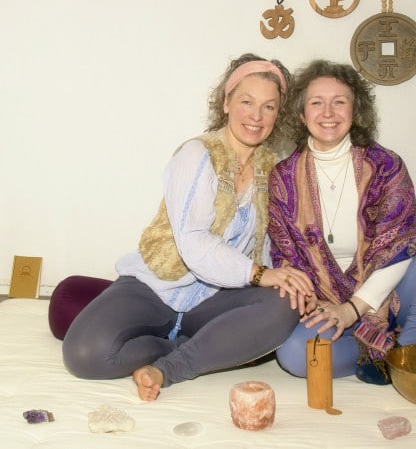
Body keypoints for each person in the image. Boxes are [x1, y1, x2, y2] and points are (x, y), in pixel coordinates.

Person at [62, 53, 314, 401]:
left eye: (268, 107)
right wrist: (259, 274)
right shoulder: (197, 154)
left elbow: (275, 242)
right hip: (157, 287)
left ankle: (173, 367)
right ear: (226, 103)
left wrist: (287, 279)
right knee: (84, 355)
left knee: (286, 303)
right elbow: (193, 241)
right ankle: (188, 345)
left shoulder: (276, 169)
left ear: (278, 114)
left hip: (216, 299)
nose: (256, 116)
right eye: (246, 102)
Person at [268, 59, 416, 385]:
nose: (328, 112)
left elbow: (399, 246)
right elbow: (284, 257)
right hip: (328, 302)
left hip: (395, 293)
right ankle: (381, 350)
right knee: (294, 354)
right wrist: (312, 300)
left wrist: (353, 309)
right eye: (316, 103)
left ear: (355, 110)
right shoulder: (282, 178)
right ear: (301, 114)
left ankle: (406, 350)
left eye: (339, 102)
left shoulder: (386, 165)